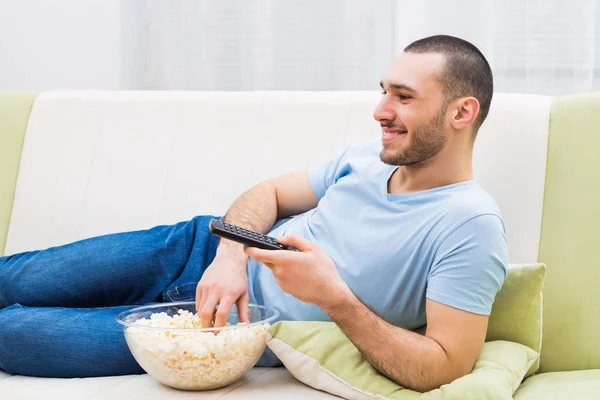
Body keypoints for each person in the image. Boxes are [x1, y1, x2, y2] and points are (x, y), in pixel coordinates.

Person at [0, 34, 506, 392]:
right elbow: (269, 193)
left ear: (461, 112)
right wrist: (229, 257)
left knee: (15, 336)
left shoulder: (470, 226)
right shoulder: (364, 158)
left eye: (403, 97)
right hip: (193, 250)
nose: (380, 110)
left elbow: (445, 367)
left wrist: (333, 297)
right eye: (383, 91)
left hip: (233, 332)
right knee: (16, 278)